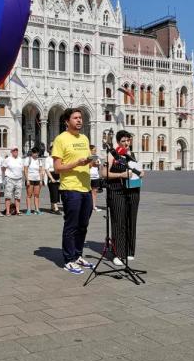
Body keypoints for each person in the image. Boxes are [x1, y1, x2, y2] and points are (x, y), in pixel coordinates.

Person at [51, 108, 95, 275]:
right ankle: (68, 260)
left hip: (86, 187)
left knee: (83, 225)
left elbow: (87, 162)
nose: (79, 120)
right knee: (72, 225)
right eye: (75, 118)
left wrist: (92, 163)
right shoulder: (60, 139)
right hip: (70, 188)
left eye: (80, 117)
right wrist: (76, 163)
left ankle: (78, 255)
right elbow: (57, 168)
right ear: (67, 121)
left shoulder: (84, 138)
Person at [104, 130, 144, 266]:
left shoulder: (131, 155)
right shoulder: (112, 154)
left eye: (128, 140)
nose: (127, 143)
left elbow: (136, 170)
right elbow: (104, 173)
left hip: (133, 190)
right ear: (118, 142)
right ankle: (118, 253)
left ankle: (129, 250)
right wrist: (121, 174)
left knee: (131, 220)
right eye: (123, 141)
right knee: (118, 221)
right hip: (117, 191)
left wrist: (141, 172)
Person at [24, 147, 46, 215]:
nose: (37, 155)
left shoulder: (39, 161)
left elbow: (40, 171)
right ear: (32, 153)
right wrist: (27, 179)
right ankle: (28, 210)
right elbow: (25, 170)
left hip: (37, 179)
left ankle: (37, 209)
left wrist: (41, 180)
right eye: (35, 153)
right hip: (30, 179)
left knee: (36, 195)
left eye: (37, 153)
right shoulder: (28, 159)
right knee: (29, 195)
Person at [3, 146, 25, 216]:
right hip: (10, 179)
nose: (15, 151)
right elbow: (3, 168)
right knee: (8, 196)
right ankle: (7, 211)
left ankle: (18, 211)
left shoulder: (20, 159)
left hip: (19, 179)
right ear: (11, 152)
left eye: (16, 150)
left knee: (18, 196)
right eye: (14, 150)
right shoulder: (8, 159)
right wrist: (5, 176)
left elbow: (22, 169)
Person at [89, 145, 103, 212]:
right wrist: (92, 162)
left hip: (95, 177)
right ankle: (88, 206)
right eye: (94, 150)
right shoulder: (87, 157)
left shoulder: (96, 157)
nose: (95, 151)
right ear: (90, 150)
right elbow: (89, 165)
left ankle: (94, 206)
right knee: (88, 192)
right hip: (88, 177)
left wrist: (95, 163)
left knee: (94, 192)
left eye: (95, 150)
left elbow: (98, 164)